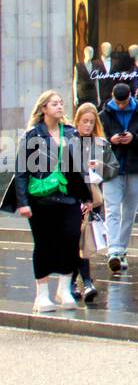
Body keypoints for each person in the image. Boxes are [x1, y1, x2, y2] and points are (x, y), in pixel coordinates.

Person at [15, 92, 93, 312]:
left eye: (61, 103)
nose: (60, 107)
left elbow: (79, 169)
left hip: (68, 197)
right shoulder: (32, 135)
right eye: (54, 104)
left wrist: (87, 197)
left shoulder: (70, 133)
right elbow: (21, 171)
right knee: (44, 245)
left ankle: (64, 289)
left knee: (70, 241)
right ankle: (41, 295)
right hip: (41, 200)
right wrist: (23, 202)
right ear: (44, 109)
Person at [99, 81, 138, 273]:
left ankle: (120, 249)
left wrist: (134, 138)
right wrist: (111, 141)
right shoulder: (104, 114)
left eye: (124, 102)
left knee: (129, 212)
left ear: (130, 96)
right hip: (111, 167)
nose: (121, 106)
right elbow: (98, 140)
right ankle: (114, 250)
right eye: (117, 102)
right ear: (113, 98)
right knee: (112, 209)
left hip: (135, 166)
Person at [69, 102, 109, 303]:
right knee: (76, 241)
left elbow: (113, 169)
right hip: (75, 197)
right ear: (77, 121)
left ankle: (79, 282)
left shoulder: (99, 143)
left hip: (94, 197)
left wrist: (101, 165)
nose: (88, 126)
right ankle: (82, 281)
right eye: (85, 121)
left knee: (84, 241)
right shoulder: (70, 141)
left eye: (91, 122)